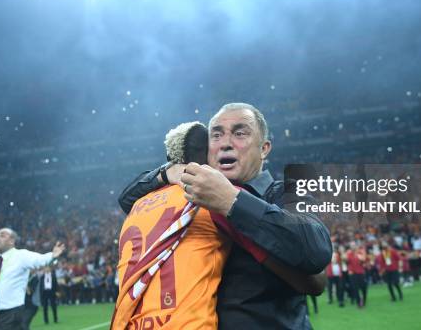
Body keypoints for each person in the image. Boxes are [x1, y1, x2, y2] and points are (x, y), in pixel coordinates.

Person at [118, 103, 332, 329]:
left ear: (264, 148)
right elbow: (126, 200)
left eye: (240, 133)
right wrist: (165, 172)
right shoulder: (193, 199)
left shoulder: (286, 192)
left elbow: (316, 253)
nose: (226, 144)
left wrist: (232, 201)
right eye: (216, 135)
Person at [346, 242, 367, 308]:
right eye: (351, 246)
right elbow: (346, 261)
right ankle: (359, 303)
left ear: (356, 246)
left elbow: (363, 260)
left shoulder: (360, 252)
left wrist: (359, 255)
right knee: (355, 289)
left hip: (361, 273)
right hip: (353, 274)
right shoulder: (349, 253)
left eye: (354, 245)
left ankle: (364, 301)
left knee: (363, 288)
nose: (353, 247)